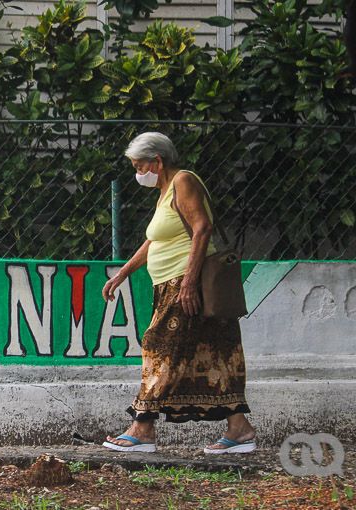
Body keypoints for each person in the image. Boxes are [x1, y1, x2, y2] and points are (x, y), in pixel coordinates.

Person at [101, 132, 256, 454]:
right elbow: (154, 241)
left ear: (157, 161)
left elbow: (202, 228)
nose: (137, 173)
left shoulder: (183, 181)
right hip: (172, 284)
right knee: (215, 355)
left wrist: (188, 281)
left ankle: (142, 428)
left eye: (139, 165)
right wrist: (123, 273)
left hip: (186, 285)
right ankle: (239, 429)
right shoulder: (164, 191)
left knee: (158, 348)